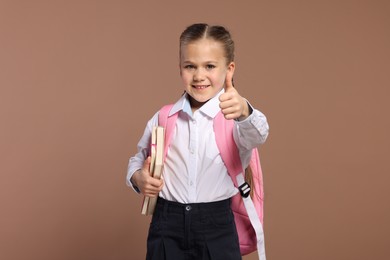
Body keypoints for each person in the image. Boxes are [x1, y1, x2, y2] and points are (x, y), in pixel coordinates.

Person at [126, 23, 269, 260]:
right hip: (166, 224)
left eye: (210, 66)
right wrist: (137, 178)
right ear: (180, 68)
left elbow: (258, 134)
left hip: (217, 225)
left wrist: (245, 110)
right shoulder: (164, 117)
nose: (199, 75)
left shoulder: (235, 118)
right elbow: (137, 159)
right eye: (190, 66)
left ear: (229, 69)